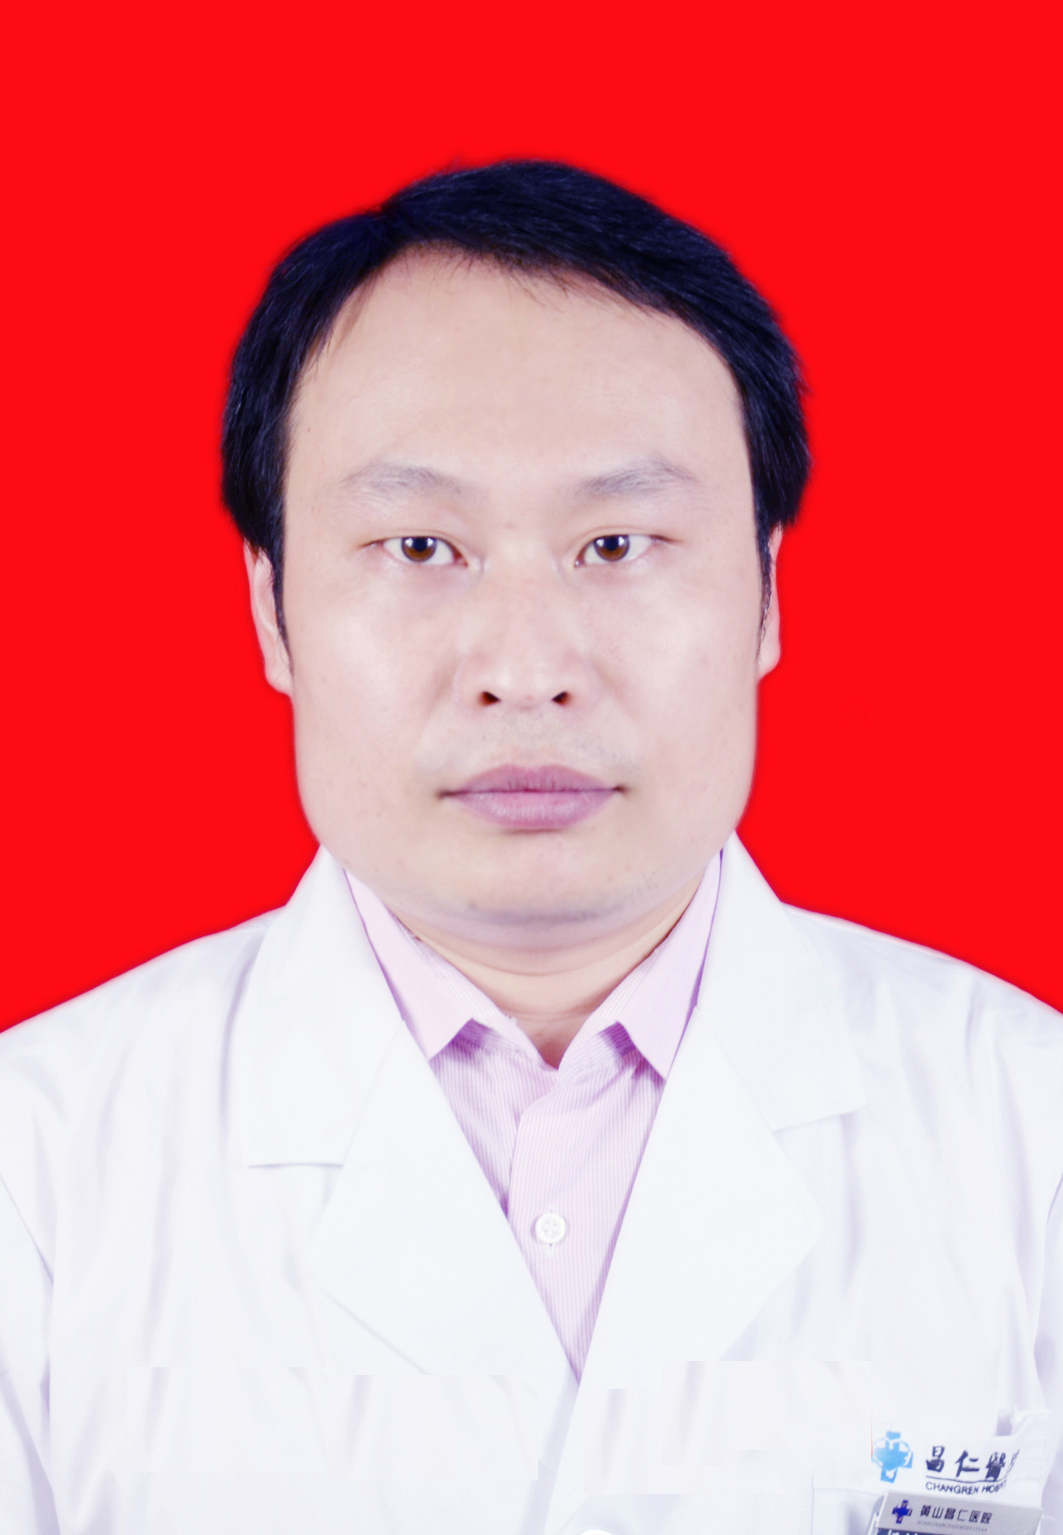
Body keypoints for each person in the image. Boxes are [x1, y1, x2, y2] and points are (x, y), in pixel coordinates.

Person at [0, 161, 1059, 1535]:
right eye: (419, 546)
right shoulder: (36, 1166)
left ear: (767, 596)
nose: (526, 668)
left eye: (617, 543)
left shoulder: (1027, 1132)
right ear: (272, 611)